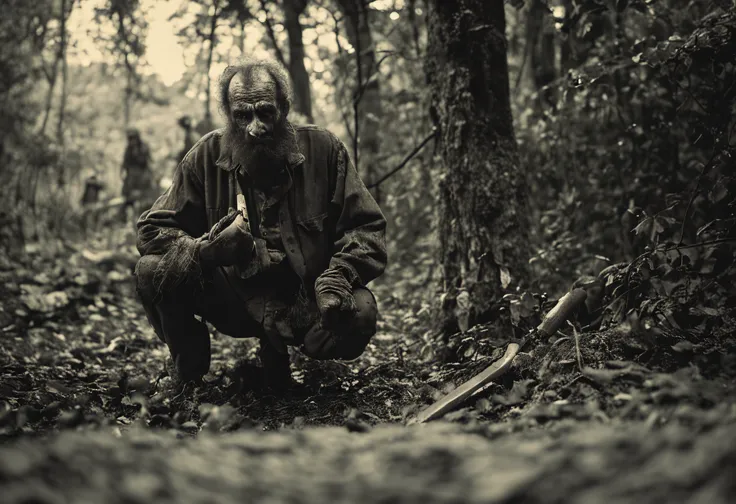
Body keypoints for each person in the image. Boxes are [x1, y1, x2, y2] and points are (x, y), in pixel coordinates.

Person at [134, 58, 387, 391]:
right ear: (228, 114)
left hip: (308, 302)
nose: (255, 127)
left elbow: (367, 228)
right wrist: (207, 251)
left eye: (265, 112)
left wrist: (338, 278)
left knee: (362, 310)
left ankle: (300, 356)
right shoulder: (204, 157)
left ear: (283, 107)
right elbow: (151, 231)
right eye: (243, 115)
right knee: (151, 271)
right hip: (235, 302)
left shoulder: (325, 150)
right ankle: (188, 367)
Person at [121, 128, 154, 222]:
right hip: (132, 176)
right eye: (130, 139)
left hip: (142, 174)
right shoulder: (128, 149)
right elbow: (125, 163)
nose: (132, 141)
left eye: (133, 138)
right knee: (128, 198)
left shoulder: (143, 147)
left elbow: (147, 161)